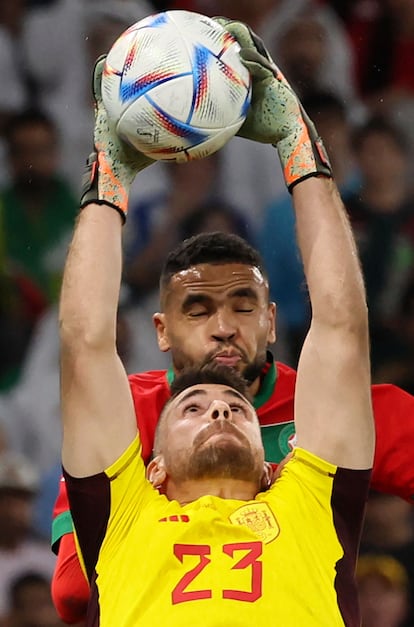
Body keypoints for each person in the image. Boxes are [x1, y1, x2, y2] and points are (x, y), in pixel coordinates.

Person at [51, 33, 414, 627]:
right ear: (154, 468)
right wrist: (106, 185)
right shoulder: (125, 513)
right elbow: (86, 344)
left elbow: (342, 327)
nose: (221, 409)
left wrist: (300, 146)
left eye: (238, 410)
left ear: (275, 466)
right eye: (191, 408)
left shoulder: (308, 500)